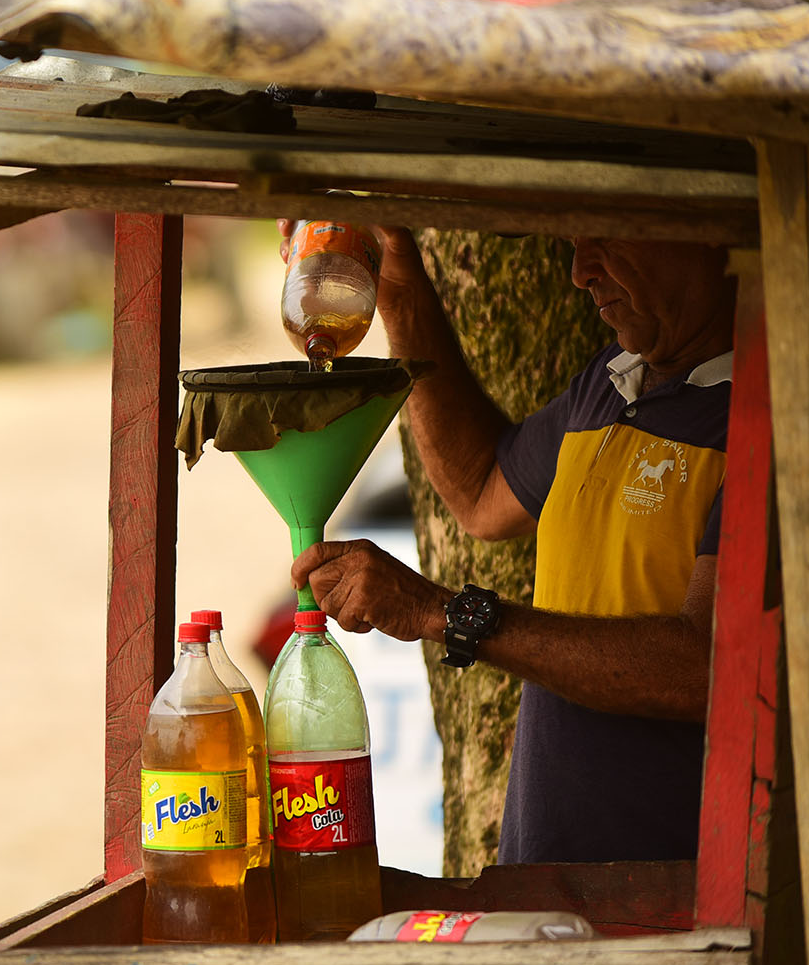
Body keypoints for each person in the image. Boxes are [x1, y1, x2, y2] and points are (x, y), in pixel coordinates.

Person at [281, 224, 736, 865]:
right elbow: (480, 492)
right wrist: (400, 287)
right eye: (575, 241)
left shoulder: (756, 420)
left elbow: (707, 669)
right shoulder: (610, 383)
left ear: (711, 228)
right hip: (546, 876)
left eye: (609, 235)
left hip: (668, 891)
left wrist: (444, 614)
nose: (581, 271)